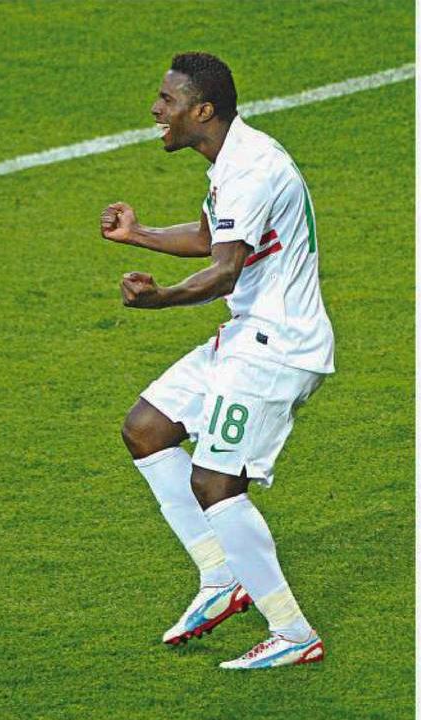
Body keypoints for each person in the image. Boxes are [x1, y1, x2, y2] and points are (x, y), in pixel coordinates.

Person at [100, 53, 332, 668]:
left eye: (167, 100)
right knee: (147, 429)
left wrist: (160, 300)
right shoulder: (232, 159)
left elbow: (225, 270)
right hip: (248, 335)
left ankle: (293, 634)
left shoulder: (252, 168)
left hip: (277, 346)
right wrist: (139, 234)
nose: (156, 109)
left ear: (203, 111)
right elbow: (211, 238)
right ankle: (221, 575)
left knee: (214, 482)